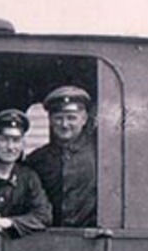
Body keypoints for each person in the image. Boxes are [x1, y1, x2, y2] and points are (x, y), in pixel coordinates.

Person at [26, 85, 97, 228]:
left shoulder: (101, 155)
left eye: (71, 118)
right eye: (59, 118)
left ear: (84, 119)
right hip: (48, 240)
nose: (65, 125)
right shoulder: (36, 160)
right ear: (50, 120)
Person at [0, 108, 51, 236]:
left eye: (16, 140)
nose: (11, 147)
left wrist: (9, 223)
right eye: (3, 139)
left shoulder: (28, 177)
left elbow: (43, 215)